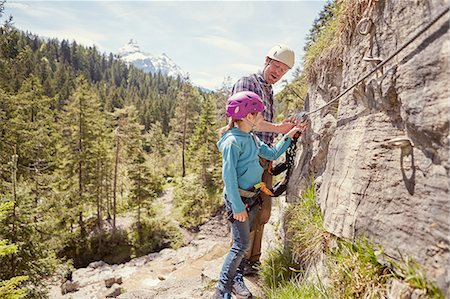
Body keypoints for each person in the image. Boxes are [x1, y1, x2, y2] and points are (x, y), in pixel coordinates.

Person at [213, 91, 303, 299]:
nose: (262, 118)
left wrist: (289, 136)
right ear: (247, 116)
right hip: (239, 200)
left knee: (243, 242)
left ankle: (234, 281)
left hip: (249, 198)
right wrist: (236, 206)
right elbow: (229, 177)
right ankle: (222, 290)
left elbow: (271, 154)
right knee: (240, 245)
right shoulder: (232, 142)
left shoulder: (250, 138)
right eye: (259, 114)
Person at [230, 44, 296, 277]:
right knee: (247, 212)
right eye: (276, 66)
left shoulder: (267, 90)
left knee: (263, 211)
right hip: (247, 157)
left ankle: (252, 261)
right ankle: (239, 264)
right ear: (266, 60)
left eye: (284, 70)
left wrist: (281, 130)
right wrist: (279, 128)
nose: (278, 73)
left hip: (262, 156)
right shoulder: (249, 83)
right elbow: (245, 119)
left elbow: (262, 124)